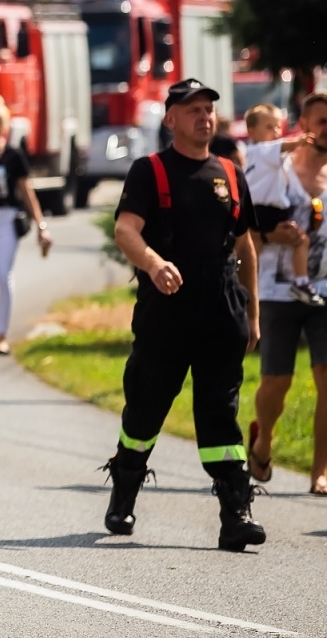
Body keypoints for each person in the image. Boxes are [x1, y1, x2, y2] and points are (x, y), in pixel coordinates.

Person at [103, 78, 265, 551]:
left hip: (221, 310)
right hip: (166, 311)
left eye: (208, 110)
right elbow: (125, 230)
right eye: (192, 109)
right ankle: (124, 491)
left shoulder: (231, 174)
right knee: (146, 409)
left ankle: (235, 515)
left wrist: (252, 314)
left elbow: (245, 247)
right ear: (170, 119)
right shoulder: (149, 171)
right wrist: (153, 263)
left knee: (221, 412)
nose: (203, 117)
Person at [246, 93, 327, 496]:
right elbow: (246, 229)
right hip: (278, 292)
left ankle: (320, 471)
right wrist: (266, 234)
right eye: (321, 120)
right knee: (277, 383)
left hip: (324, 294)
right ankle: (263, 439)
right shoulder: (277, 169)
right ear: (304, 124)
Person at [0, 96, 52, 356]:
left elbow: (26, 191)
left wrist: (41, 224)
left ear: (4, 124)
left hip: (6, 219)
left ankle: (2, 336)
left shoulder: (14, 155)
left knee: (4, 276)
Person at [241, 104, 323, 307]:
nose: (276, 132)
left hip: (257, 209)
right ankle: (301, 281)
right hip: (269, 210)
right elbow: (283, 147)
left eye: (278, 127)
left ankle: (246, 285)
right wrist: (300, 141)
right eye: (269, 127)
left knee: (254, 248)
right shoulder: (264, 150)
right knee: (301, 241)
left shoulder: (251, 153)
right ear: (251, 131)